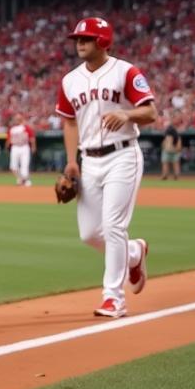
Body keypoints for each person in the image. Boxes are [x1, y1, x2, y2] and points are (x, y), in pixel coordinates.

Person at [56, 17, 156, 319]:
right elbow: (69, 121)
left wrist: (126, 114)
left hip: (122, 156)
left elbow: (151, 111)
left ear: (103, 42)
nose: (80, 43)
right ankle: (135, 252)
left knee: (114, 226)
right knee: (89, 233)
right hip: (89, 159)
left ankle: (114, 297)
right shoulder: (70, 80)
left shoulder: (126, 72)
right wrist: (72, 161)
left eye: (86, 38)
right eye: (77, 39)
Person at [6, 114, 36, 186]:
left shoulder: (26, 127)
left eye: (18, 119)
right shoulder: (12, 129)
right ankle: (21, 179)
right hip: (15, 147)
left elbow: (32, 138)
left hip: (24, 147)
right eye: (16, 119)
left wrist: (33, 147)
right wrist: (7, 147)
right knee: (13, 167)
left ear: (21, 119)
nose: (16, 120)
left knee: (24, 165)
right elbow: (9, 140)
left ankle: (26, 181)